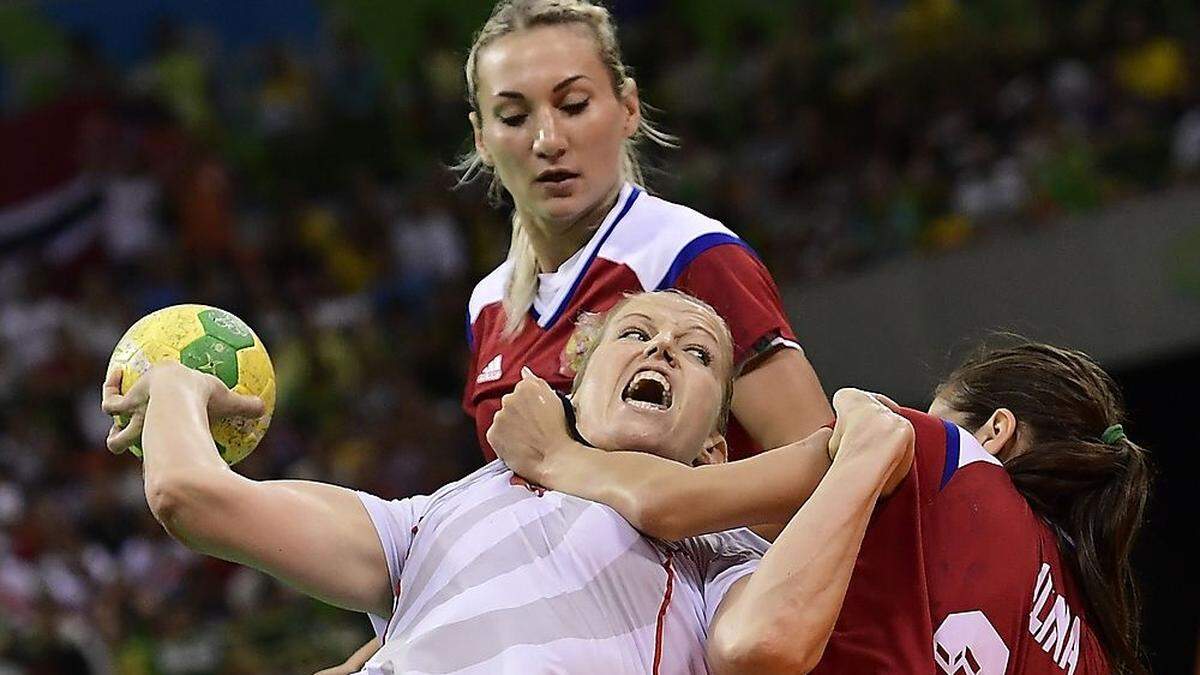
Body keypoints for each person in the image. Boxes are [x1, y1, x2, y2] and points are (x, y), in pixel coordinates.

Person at [101, 290, 910, 674]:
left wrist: (866, 452)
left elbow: (766, 643)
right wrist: (176, 387)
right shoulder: (427, 520)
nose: (663, 350)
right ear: (573, 382)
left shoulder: (716, 551)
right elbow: (194, 498)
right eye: (636, 333)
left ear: (713, 451)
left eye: (698, 353)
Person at [496, 337, 1151, 674]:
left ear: (995, 431)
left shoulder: (944, 453)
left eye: (937, 404)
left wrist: (556, 452)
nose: (924, 414)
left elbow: (678, 501)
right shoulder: (1089, 647)